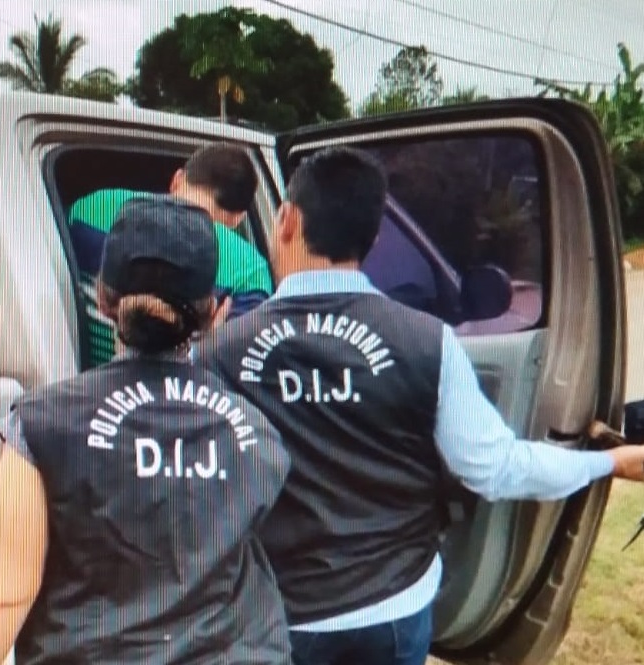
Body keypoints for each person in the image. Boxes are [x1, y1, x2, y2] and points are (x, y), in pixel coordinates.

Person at [196, 146, 644, 665]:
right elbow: (495, 469)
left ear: (287, 220)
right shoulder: (428, 340)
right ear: (374, 237)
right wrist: (609, 460)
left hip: (278, 615)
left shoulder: (220, 352)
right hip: (392, 609)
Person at [0, 196, 292, 665]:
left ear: (102, 298)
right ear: (217, 314)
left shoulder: (42, 424)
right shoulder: (259, 432)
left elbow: (1, 594)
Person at [67, 142, 273, 367]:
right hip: (183, 395)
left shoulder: (90, 209)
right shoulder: (249, 270)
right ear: (238, 218)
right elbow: (240, 364)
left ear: (177, 179)